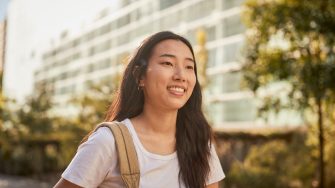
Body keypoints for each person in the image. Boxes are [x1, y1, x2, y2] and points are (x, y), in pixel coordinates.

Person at [54, 31, 225, 188]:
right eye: (168, 63)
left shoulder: (200, 143)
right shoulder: (108, 142)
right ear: (140, 77)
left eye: (189, 66)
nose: (181, 75)